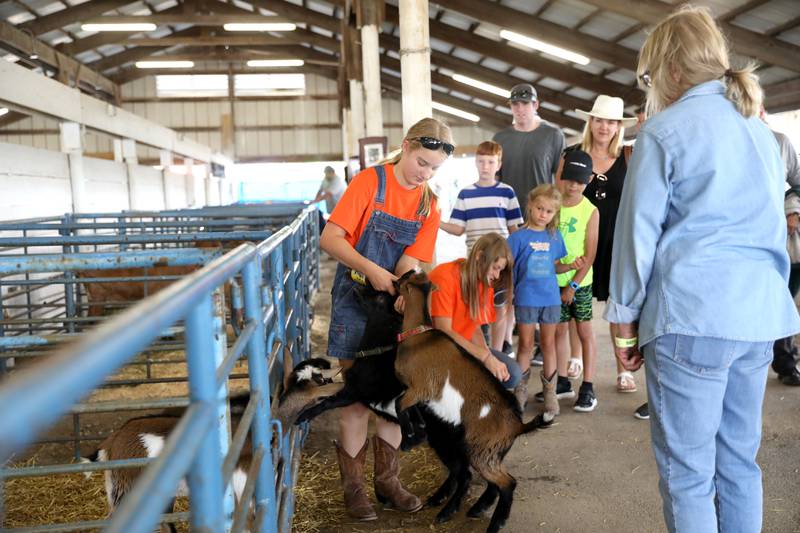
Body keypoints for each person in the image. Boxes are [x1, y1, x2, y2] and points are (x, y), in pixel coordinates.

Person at [605, 7, 800, 533]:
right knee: (739, 463)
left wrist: (622, 319)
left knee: (689, 473)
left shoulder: (664, 131)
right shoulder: (761, 133)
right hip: (756, 318)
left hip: (692, 315)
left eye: (647, 77)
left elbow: (637, 234)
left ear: (670, 69)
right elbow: (774, 226)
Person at [320, 117, 452, 521]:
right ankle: (355, 488)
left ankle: (387, 481)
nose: (425, 174)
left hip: (392, 301)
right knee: (359, 396)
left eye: (433, 168)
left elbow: (413, 256)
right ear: (406, 145)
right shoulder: (369, 183)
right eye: (421, 162)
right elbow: (331, 238)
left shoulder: (429, 203)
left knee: (394, 396)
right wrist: (374, 271)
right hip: (354, 296)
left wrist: (404, 283)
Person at [559, 96, 639, 395]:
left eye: (611, 121)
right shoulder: (572, 154)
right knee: (576, 304)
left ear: (619, 126)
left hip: (617, 242)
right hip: (578, 243)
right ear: (590, 122)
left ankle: (623, 369)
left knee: (619, 309)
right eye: (599, 120)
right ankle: (576, 356)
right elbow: (558, 198)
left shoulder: (629, 156)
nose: (605, 126)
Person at [439, 140, 523, 353]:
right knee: (476, 308)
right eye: (481, 162)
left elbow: (515, 231)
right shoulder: (466, 194)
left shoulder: (507, 192)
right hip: (475, 265)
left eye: (490, 162)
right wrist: (434, 221)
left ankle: (497, 351)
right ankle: (480, 352)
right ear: (475, 163)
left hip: (499, 264)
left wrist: (516, 260)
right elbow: (458, 229)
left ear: (499, 164)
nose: (485, 166)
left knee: (500, 307)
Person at [507, 184, 585, 413]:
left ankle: (550, 393)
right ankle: (520, 391)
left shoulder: (554, 236)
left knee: (549, 345)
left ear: (554, 213)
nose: (543, 214)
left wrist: (570, 265)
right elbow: (509, 270)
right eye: (539, 208)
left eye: (549, 211)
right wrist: (508, 292)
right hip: (525, 298)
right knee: (525, 345)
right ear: (530, 206)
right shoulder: (517, 238)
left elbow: (555, 267)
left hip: (550, 299)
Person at [428, 233, 522, 389]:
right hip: (437, 350)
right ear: (479, 256)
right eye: (495, 268)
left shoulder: (484, 281)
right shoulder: (444, 277)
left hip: (462, 349)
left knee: (512, 374)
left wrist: (488, 357)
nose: (497, 275)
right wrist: (484, 357)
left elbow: (474, 326)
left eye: (500, 270)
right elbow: (443, 331)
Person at [549, 150, 599, 413]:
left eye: (579, 181)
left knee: (584, 331)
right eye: (569, 178)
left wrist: (573, 286)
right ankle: (563, 381)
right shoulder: (552, 206)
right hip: (554, 280)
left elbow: (590, 255)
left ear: (588, 180)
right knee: (558, 330)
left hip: (580, 283)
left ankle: (588, 386)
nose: (573, 185)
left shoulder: (590, 211)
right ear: (561, 177)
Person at [493, 83, 566, 212]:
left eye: (525, 103)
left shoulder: (553, 135)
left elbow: (561, 176)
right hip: (508, 214)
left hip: (541, 214)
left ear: (535, 105)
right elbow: (495, 178)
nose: (520, 109)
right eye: (515, 104)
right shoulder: (499, 139)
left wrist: (558, 210)